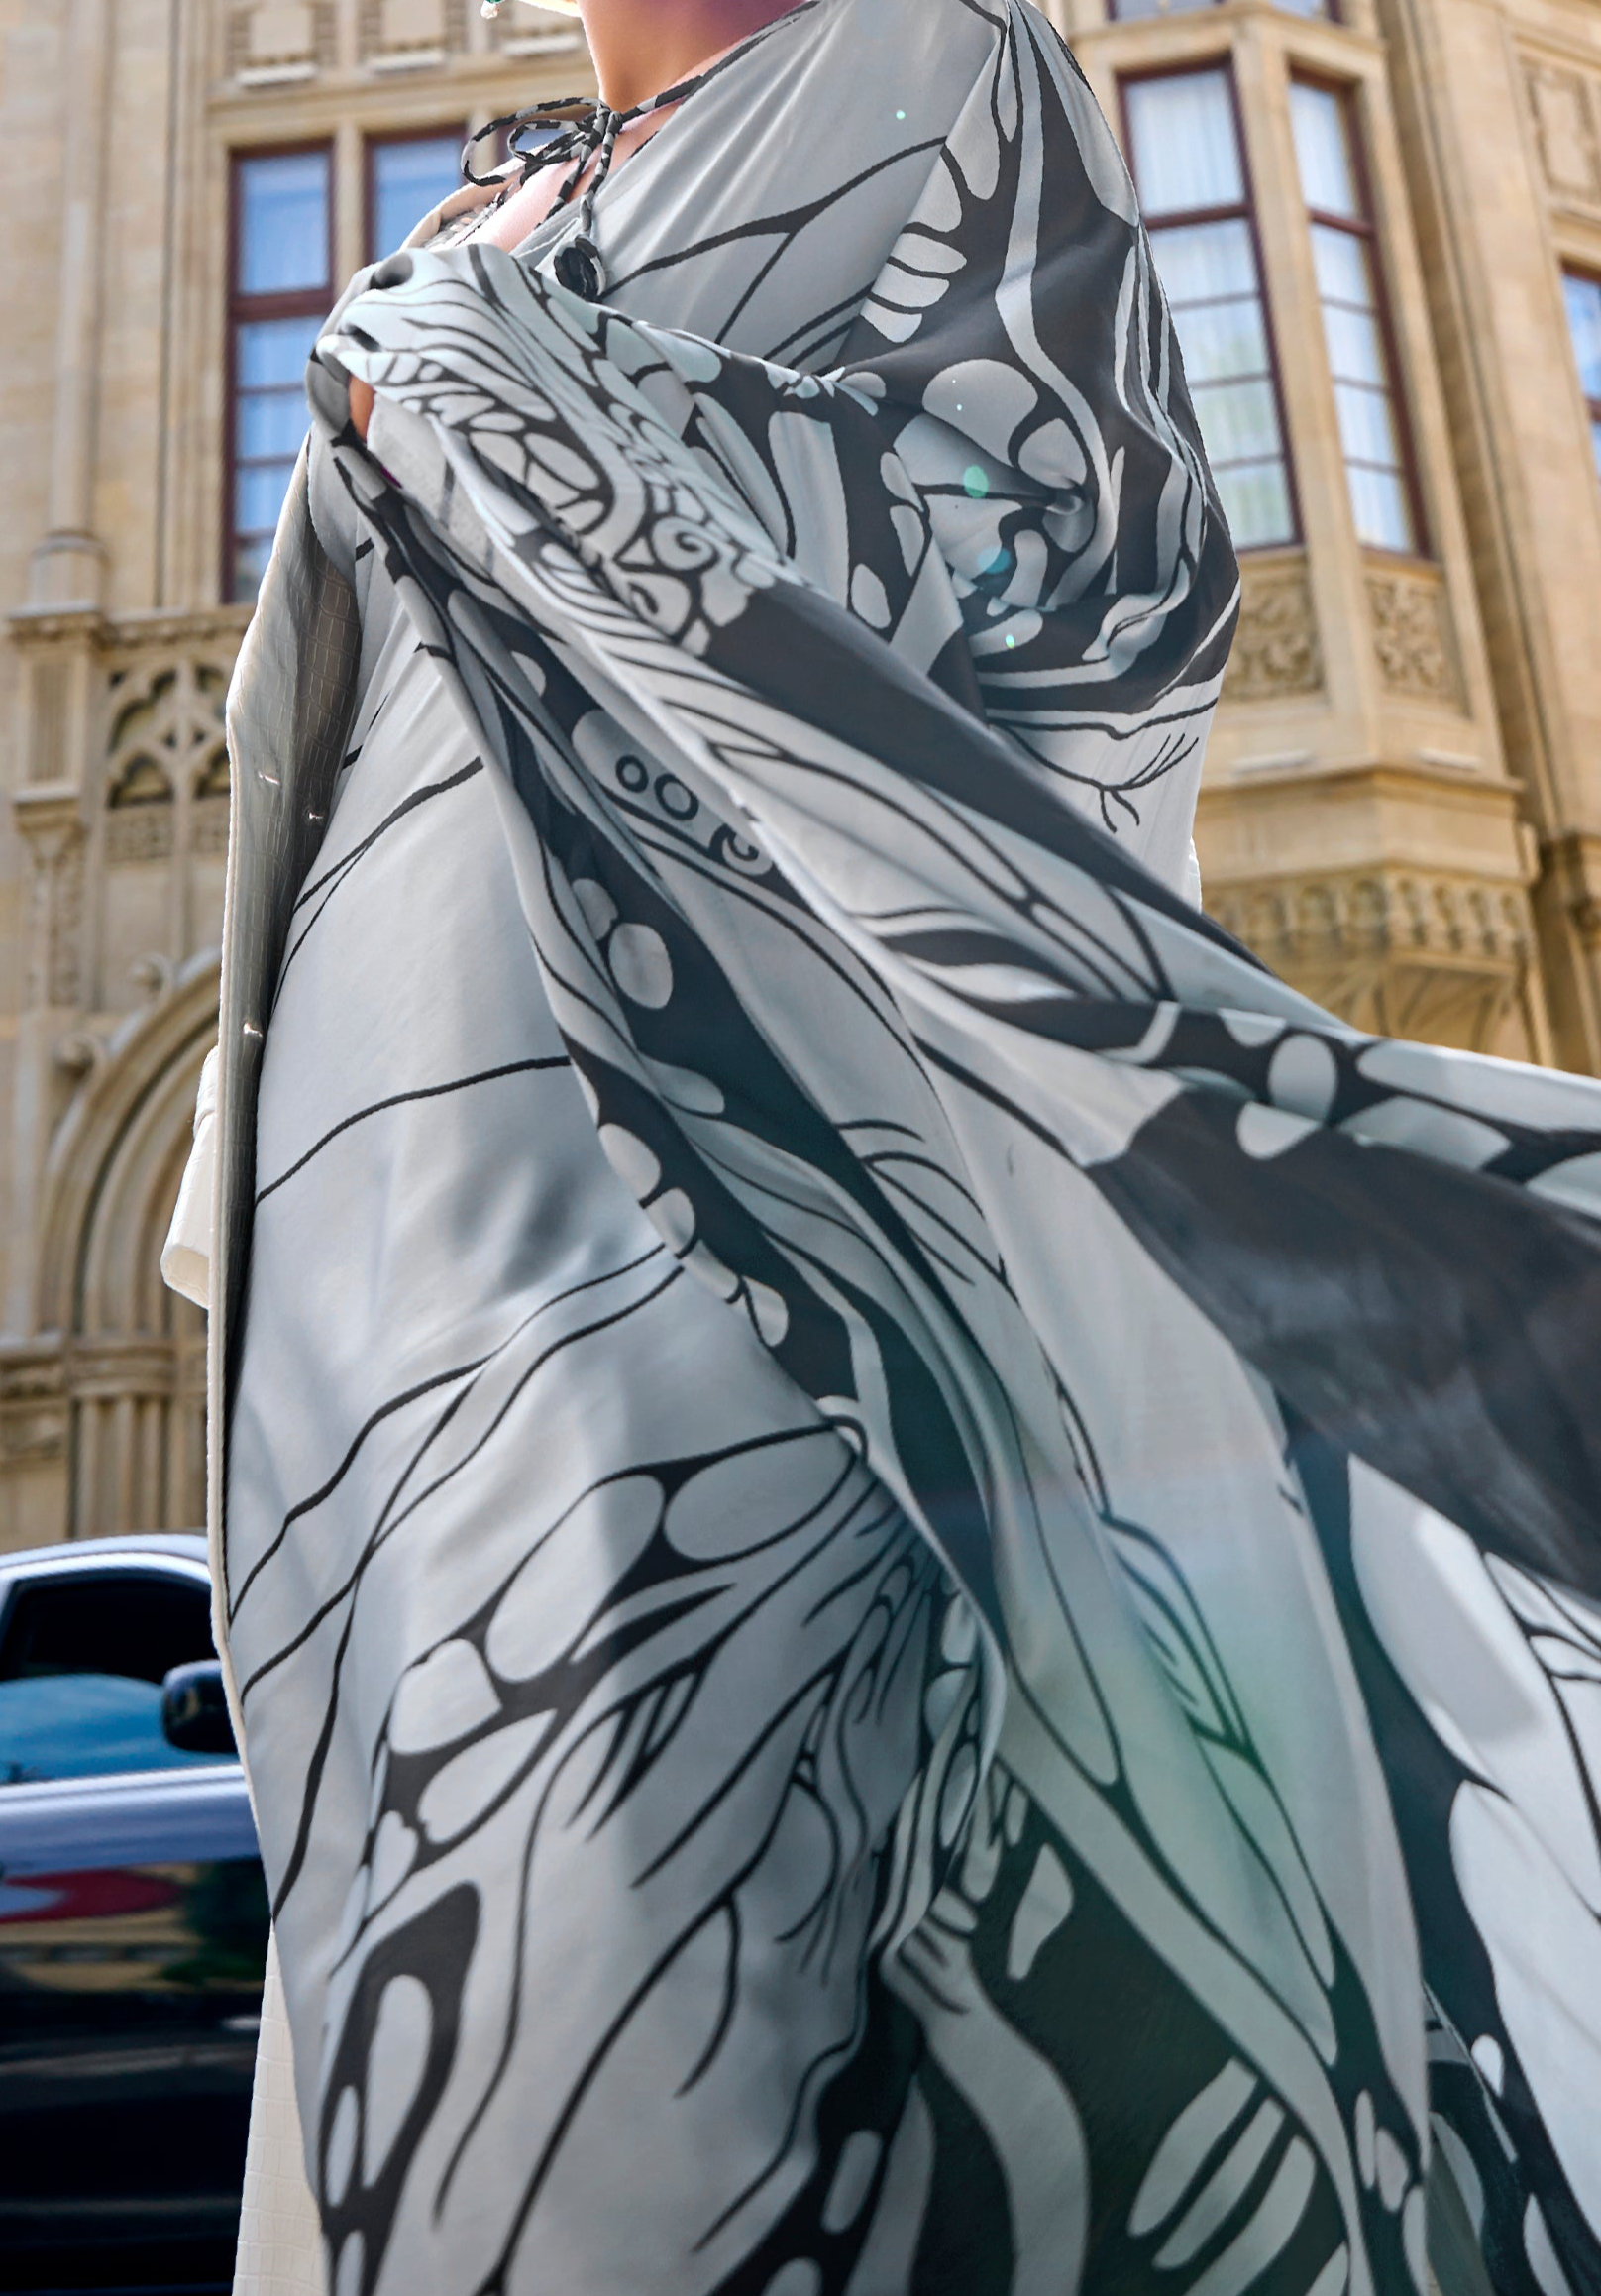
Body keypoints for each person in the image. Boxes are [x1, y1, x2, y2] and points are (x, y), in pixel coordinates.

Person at [166, 1, 1601, 2291]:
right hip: (408, 1264)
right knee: (427, 2013)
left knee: (636, 1981)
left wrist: (463, 373)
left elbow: (1073, 585)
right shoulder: (518, 186)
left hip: (707, 1235)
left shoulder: (927, 60)